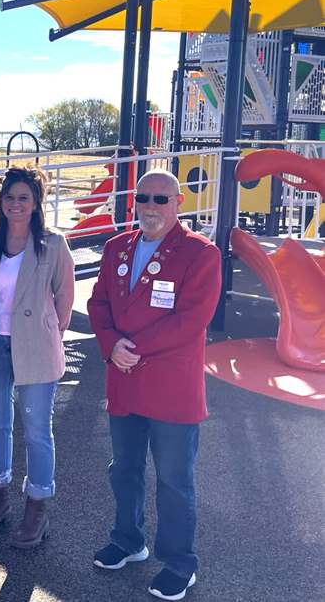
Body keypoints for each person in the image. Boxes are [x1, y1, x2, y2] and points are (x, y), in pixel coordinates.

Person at [87, 169, 221, 602]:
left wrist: (133, 347)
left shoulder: (201, 253)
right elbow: (98, 302)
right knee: (123, 470)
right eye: (143, 197)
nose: (150, 206)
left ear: (178, 203)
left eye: (161, 199)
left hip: (171, 389)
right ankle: (128, 541)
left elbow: (191, 319)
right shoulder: (115, 248)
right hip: (123, 379)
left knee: (173, 480)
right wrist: (111, 345)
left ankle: (180, 563)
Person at [0, 166, 75, 549]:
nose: (15, 204)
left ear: (36, 204)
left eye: (23, 198)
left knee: (36, 429)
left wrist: (49, 334)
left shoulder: (53, 244)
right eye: (9, 197)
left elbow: (65, 298)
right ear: (1, 201)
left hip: (35, 346)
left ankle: (37, 504)